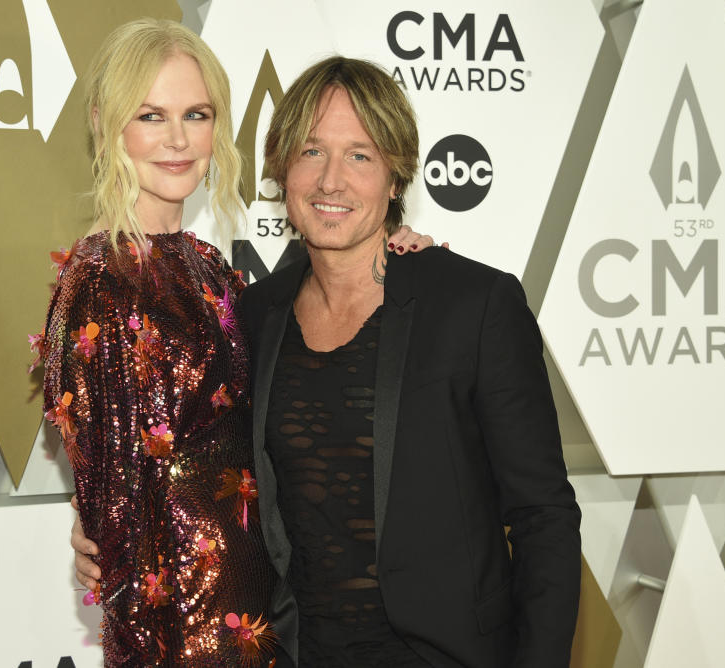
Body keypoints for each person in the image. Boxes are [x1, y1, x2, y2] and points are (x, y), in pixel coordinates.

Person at [75, 55, 581, 667]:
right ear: (282, 172)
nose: (331, 181)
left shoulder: (474, 306)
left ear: (396, 179)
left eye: (360, 155)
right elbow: (189, 455)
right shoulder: (252, 315)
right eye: (312, 152)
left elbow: (543, 517)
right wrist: (103, 524)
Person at [43, 22, 432, 667]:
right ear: (106, 123)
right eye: (151, 115)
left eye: (196, 115)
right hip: (188, 640)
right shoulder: (101, 281)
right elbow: (119, 508)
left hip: (263, 615)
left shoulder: (210, 269)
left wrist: (392, 251)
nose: (177, 139)